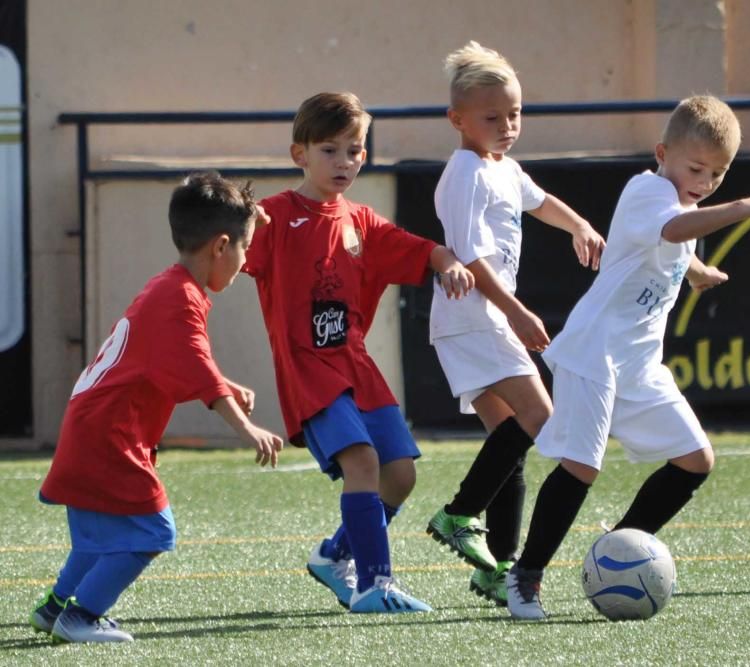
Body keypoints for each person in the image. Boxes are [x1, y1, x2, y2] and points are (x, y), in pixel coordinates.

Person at [504, 95, 750, 619]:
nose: (706, 181)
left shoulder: (685, 204)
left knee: (695, 460)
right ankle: (525, 576)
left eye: (718, 173)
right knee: (581, 466)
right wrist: (741, 208)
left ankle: (616, 552)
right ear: (662, 152)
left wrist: (696, 273)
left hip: (639, 366)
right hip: (594, 354)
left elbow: (673, 242)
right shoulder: (647, 189)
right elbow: (670, 230)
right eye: (695, 168)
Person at [243, 92, 474, 613]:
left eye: (353, 151)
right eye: (329, 150)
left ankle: (333, 556)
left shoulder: (362, 222)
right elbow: (222, 253)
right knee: (363, 462)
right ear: (298, 154)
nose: (343, 162)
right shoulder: (273, 219)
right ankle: (375, 584)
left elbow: (420, 249)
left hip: (356, 366)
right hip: (309, 371)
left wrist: (448, 263)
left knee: (401, 474)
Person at [30, 172, 284, 643]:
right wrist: (247, 427)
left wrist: (224, 381)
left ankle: (53, 608)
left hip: (93, 427)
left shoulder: (167, 286)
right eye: (244, 250)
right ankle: (81, 616)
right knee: (152, 531)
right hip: (110, 437)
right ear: (221, 246)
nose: (245, 263)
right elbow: (197, 369)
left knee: (103, 532)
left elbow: (168, 359)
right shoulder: (181, 300)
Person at [424, 41, 605, 606]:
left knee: (512, 439)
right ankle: (458, 513)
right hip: (473, 317)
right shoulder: (464, 173)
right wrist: (518, 312)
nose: (507, 126)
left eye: (515, 114)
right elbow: (471, 259)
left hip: (479, 319)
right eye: (492, 117)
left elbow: (540, 200)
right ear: (458, 119)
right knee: (540, 414)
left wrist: (578, 225)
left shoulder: (503, 168)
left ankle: (498, 566)